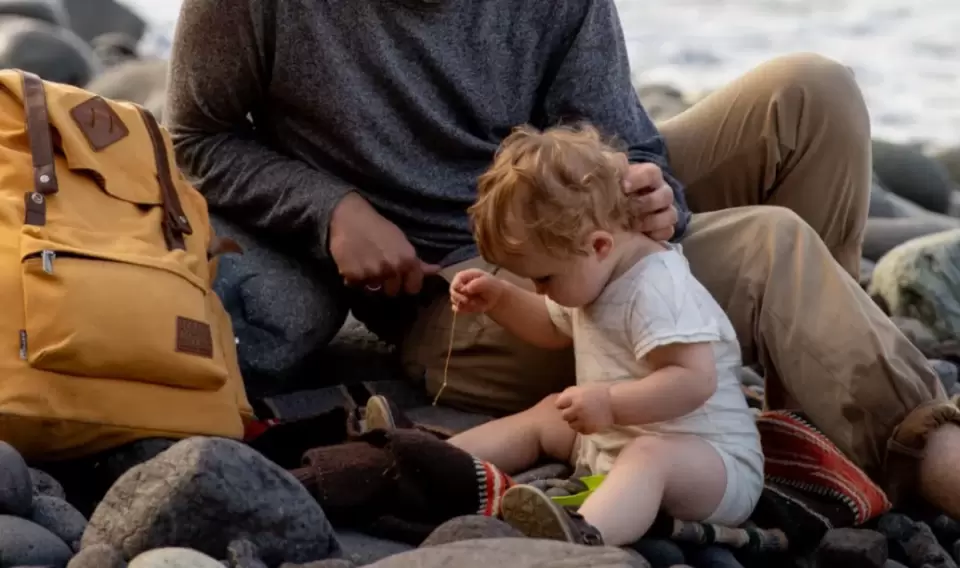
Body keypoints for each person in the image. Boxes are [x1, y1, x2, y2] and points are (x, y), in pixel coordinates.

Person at [166, 0, 960, 519]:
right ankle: (920, 450)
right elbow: (196, 137)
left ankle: (806, 408)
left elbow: (620, 140)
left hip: (580, 224)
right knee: (767, 244)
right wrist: (329, 207)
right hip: (473, 289)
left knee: (810, 91)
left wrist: (655, 198)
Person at [441, 123, 764, 545]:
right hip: (616, 444)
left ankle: (583, 539)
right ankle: (437, 462)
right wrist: (500, 298)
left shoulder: (657, 287)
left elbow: (695, 378)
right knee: (547, 413)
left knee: (649, 457)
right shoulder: (591, 271)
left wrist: (609, 404)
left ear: (598, 246)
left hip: (710, 462)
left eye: (543, 277)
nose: (539, 289)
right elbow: (551, 326)